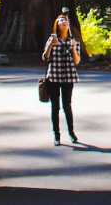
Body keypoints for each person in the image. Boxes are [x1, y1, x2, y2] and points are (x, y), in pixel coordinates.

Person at [42, 8, 81, 145]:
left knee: (67, 105)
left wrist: (74, 47)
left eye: (66, 20)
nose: (64, 21)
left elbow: (76, 61)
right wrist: (50, 47)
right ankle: (56, 135)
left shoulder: (73, 41)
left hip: (68, 77)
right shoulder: (52, 39)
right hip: (53, 77)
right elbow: (45, 57)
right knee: (55, 107)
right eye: (61, 20)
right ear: (57, 25)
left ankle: (71, 133)